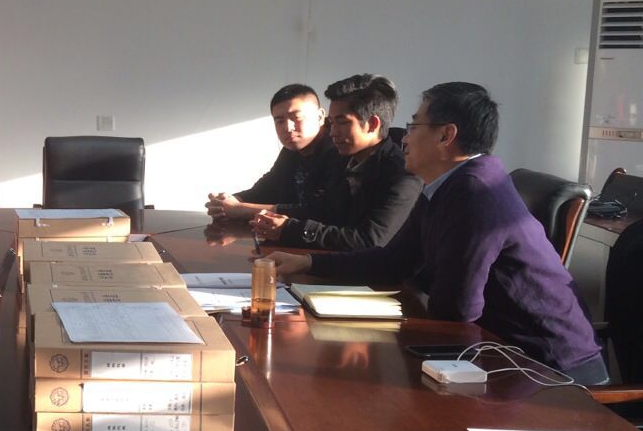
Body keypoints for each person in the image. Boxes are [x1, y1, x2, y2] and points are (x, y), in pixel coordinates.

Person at [266, 82, 608, 385]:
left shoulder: (475, 193)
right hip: (500, 352)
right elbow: (393, 261)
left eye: (414, 126)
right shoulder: (446, 185)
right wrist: (307, 263)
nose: (403, 138)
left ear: (446, 136)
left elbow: (456, 310)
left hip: (547, 369)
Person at [250, 74, 421, 249]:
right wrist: (278, 221)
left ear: (372, 124)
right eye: (331, 123)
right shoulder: (343, 159)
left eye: (342, 123)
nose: (332, 132)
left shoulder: (402, 175)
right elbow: (322, 211)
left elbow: (368, 241)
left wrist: (289, 229)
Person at [207, 83, 334, 223]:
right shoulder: (290, 151)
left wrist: (241, 209)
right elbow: (267, 188)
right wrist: (228, 202)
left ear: (320, 117)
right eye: (280, 121)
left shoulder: (338, 150)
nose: (288, 128)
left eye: (297, 117)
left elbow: (320, 210)